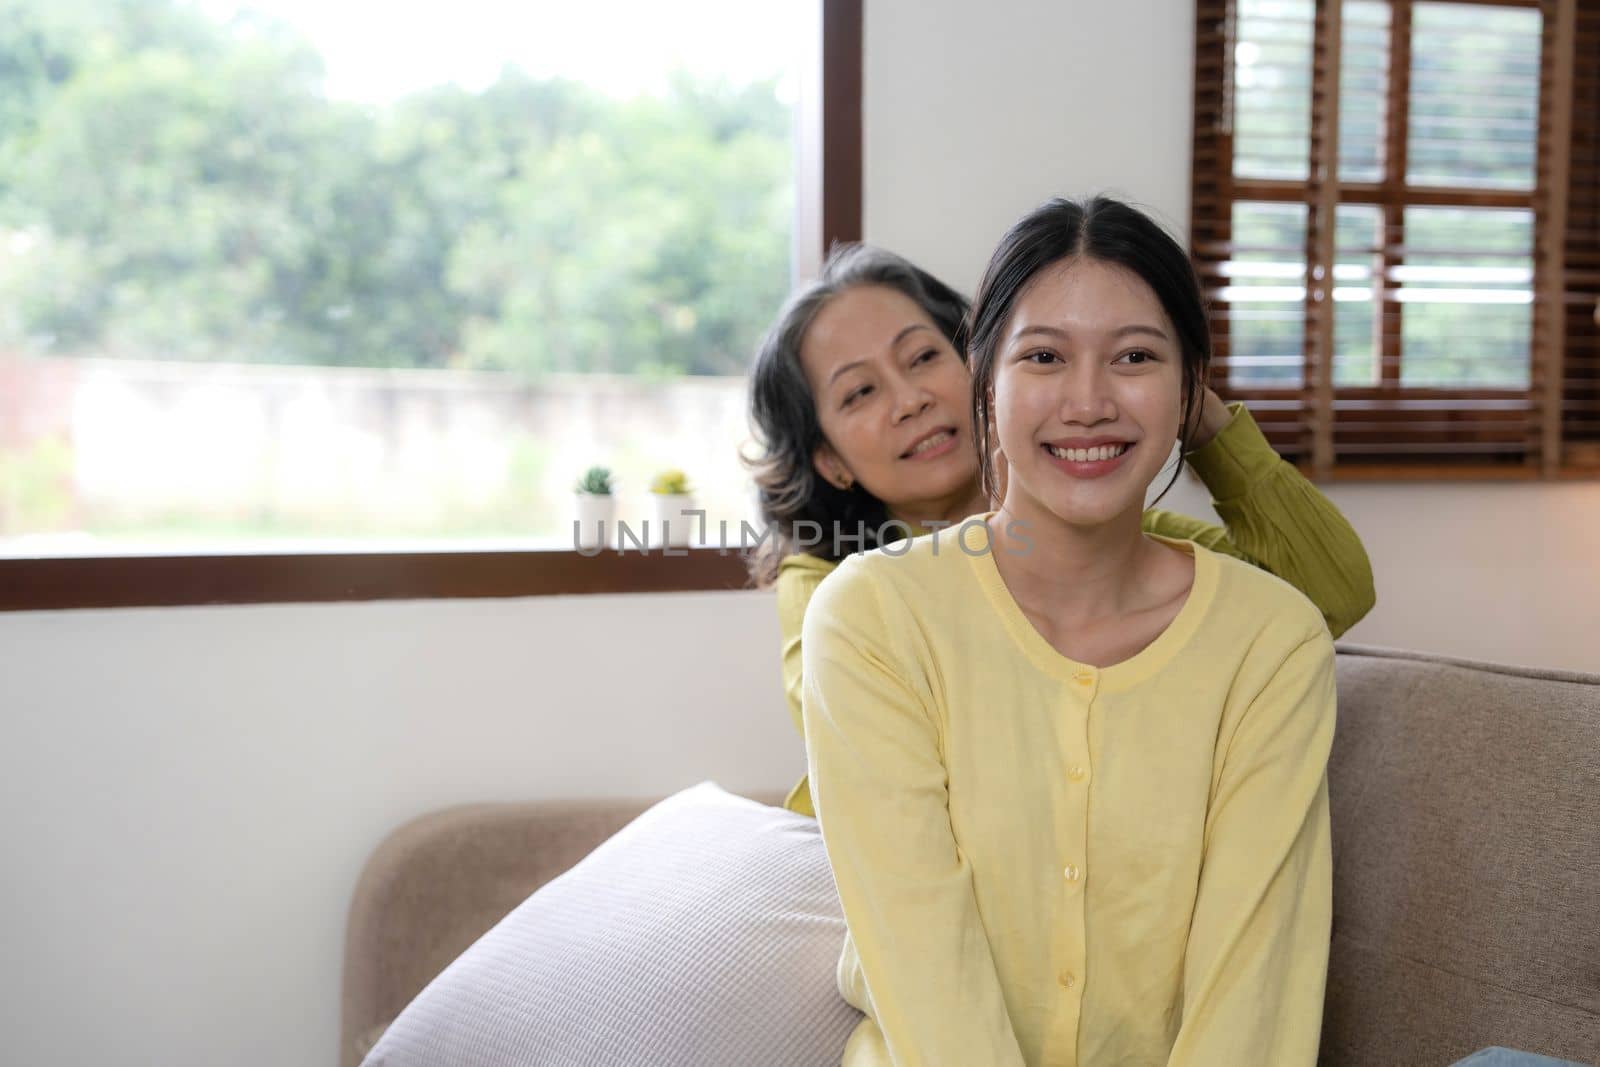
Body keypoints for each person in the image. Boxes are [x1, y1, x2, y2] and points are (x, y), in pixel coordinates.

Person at [799, 195, 1338, 1064]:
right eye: (1044, 356)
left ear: (1190, 387)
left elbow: (1252, 998)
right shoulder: (872, 617)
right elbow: (928, 978)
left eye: (1135, 357)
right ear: (986, 379)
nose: (1088, 402)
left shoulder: (1271, 642)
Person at [746, 240, 1376, 818]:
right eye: (859, 393)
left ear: (984, 365)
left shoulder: (1116, 539)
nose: (909, 399)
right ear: (828, 459)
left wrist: (1196, 415)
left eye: (924, 356)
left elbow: (1330, 593)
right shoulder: (831, 587)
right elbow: (885, 744)